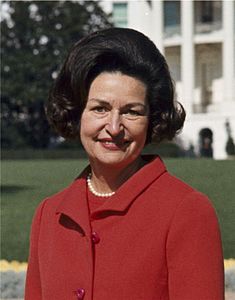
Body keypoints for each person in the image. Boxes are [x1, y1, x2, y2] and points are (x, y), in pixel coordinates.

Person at [25, 28, 224, 300]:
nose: (115, 127)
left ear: (152, 119)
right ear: (77, 113)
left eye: (132, 111)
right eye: (100, 108)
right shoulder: (48, 215)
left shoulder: (187, 211)